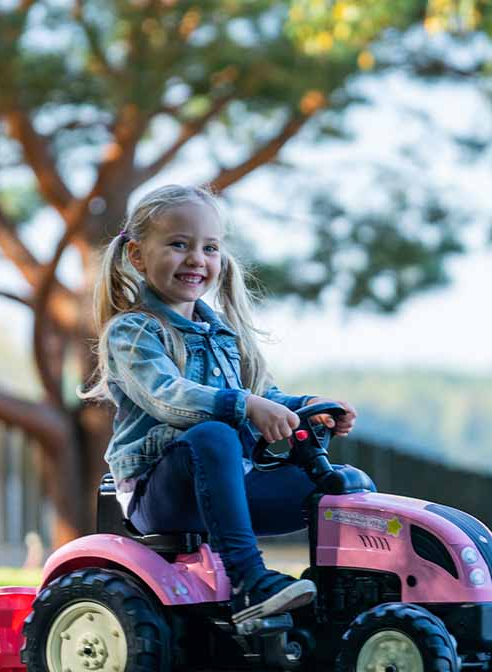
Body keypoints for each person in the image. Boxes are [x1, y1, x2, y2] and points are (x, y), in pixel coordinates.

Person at [81, 184, 374, 622]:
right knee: (214, 435)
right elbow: (167, 397)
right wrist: (246, 405)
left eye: (210, 248)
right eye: (179, 245)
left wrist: (308, 405)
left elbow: (265, 395)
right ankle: (249, 583)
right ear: (138, 256)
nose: (196, 259)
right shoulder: (134, 331)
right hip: (160, 495)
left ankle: (337, 601)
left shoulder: (224, 334)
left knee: (344, 485)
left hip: (232, 481)